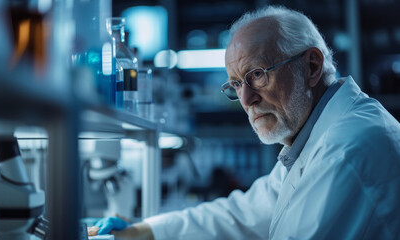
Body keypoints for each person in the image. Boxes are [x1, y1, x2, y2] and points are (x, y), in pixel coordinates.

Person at [91, 5, 400, 239]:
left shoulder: (348, 147)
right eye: (236, 84)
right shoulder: (313, 139)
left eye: (257, 74)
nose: (246, 99)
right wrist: (147, 230)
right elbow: (245, 213)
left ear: (312, 66)